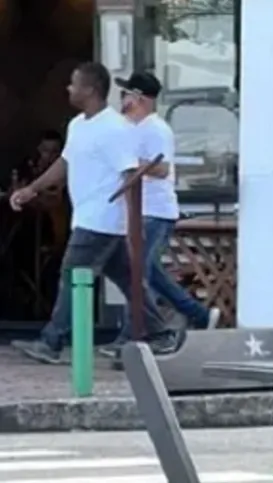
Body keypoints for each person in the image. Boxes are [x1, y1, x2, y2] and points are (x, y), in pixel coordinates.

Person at [10, 62, 182, 363]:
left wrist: (133, 225)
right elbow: (64, 164)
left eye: (73, 84)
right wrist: (31, 189)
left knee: (71, 275)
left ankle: (52, 340)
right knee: (130, 281)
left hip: (101, 220)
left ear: (89, 90)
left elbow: (130, 176)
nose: (68, 88)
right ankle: (159, 332)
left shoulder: (114, 129)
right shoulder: (78, 125)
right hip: (95, 219)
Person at [99, 71, 218, 358]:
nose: (121, 99)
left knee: (141, 273)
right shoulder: (129, 128)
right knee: (145, 273)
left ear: (138, 97)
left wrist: (131, 162)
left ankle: (133, 335)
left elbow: (162, 168)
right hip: (137, 212)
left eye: (126, 93)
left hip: (155, 211)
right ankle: (198, 315)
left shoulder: (156, 129)